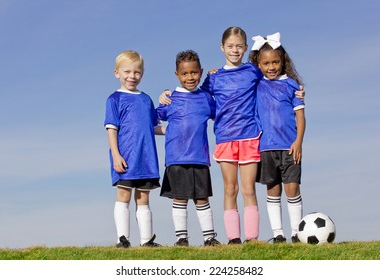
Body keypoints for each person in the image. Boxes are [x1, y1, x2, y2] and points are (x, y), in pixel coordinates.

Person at [159, 27, 304, 244]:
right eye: (230, 46)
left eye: (239, 46)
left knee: (248, 189)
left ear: (246, 48)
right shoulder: (214, 78)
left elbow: (275, 78)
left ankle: (252, 238)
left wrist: (297, 91)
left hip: (250, 137)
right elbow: (195, 95)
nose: (234, 50)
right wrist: (166, 95)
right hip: (225, 138)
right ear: (222, 48)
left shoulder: (253, 71)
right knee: (230, 188)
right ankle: (234, 238)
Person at [156, 50, 220, 247]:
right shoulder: (170, 99)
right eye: (185, 74)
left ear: (200, 72)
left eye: (193, 73)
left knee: (202, 198)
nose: (190, 77)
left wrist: (214, 78)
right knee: (180, 198)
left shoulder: (206, 99)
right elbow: (151, 122)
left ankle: (209, 238)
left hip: (200, 158)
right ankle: (181, 239)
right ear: (177, 74)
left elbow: (223, 114)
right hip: (176, 158)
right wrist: (168, 130)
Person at [249, 32, 306, 243]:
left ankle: (296, 233)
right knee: (272, 189)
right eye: (266, 63)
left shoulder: (291, 85)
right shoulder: (255, 84)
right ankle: (278, 234)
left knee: (292, 187)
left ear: (283, 61)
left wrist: (298, 141)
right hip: (265, 147)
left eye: (275, 62)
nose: (271, 67)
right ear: (258, 63)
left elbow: (300, 116)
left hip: (290, 146)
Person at [104, 50, 162, 248]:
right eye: (127, 71)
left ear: (142, 74)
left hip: (146, 158)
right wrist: (116, 155)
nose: (132, 76)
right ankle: (122, 239)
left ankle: (147, 240)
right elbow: (111, 130)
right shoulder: (114, 99)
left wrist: (178, 130)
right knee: (124, 195)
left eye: (137, 72)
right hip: (126, 157)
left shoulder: (146, 99)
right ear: (117, 73)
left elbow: (153, 127)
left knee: (144, 197)